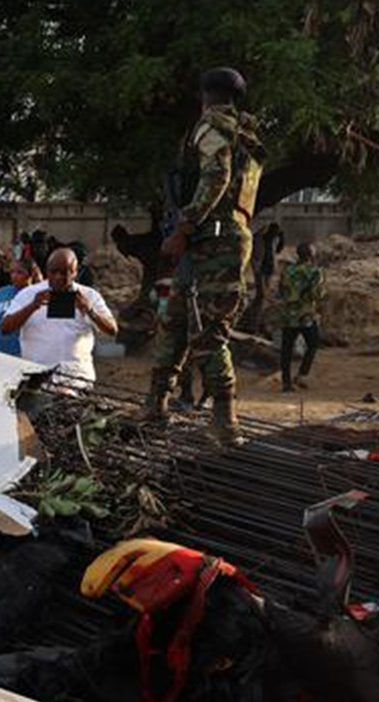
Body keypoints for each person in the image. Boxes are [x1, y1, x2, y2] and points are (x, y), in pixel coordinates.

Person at [143, 67, 264, 445]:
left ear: (204, 96)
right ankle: (155, 404)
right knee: (176, 321)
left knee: (208, 331)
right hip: (220, 241)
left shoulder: (211, 125)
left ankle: (225, 420)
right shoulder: (247, 136)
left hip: (214, 241)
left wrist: (184, 227)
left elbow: (216, 177)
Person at [1, 247, 118, 387]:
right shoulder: (29, 294)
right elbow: (5, 328)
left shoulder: (89, 296)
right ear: (46, 271)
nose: (58, 277)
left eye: (64, 272)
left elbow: (112, 330)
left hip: (77, 379)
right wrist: (32, 306)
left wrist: (89, 310)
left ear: (75, 272)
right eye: (53, 272)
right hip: (37, 377)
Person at [274, 242, 325, 392]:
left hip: (288, 314)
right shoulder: (314, 272)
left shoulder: (287, 271)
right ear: (311, 255)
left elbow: (281, 291)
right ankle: (302, 374)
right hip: (305, 314)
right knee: (313, 344)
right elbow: (317, 294)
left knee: (286, 349)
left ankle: (286, 382)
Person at [0, 259, 38, 357]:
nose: (14, 276)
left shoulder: (35, 295)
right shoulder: (2, 292)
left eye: (19, 272)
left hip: (20, 352)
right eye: (12, 272)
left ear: (30, 274)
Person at [245, 222, 284, 331]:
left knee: (263, 296)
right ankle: (253, 323)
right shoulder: (259, 239)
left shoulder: (274, 239)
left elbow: (278, 249)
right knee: (261, 295)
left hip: (269, 268)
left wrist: (282, 237)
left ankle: (258, 322)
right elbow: (254, 254)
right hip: (260, 269)